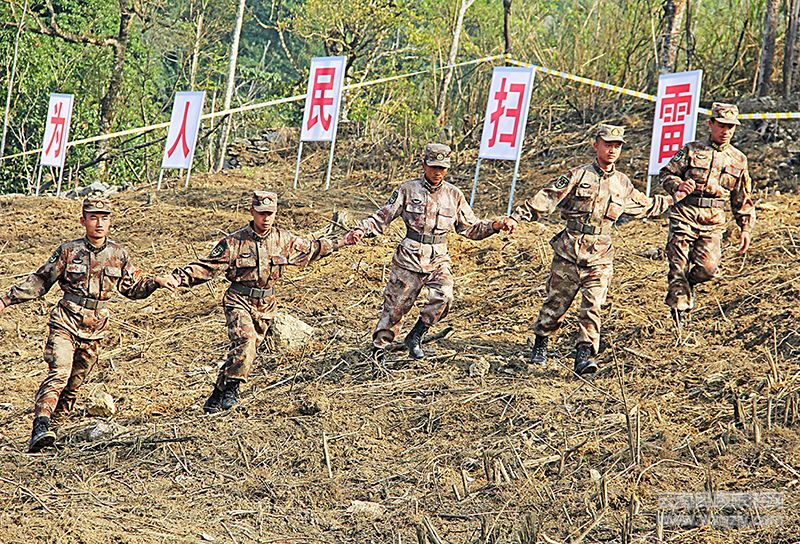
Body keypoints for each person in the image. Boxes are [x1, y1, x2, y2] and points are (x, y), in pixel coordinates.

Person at [0, 198, 178, 452]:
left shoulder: (118, 254)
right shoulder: (68, 251)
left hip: (95, 329)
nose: (99, 223)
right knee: (59, 373)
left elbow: (133, 288)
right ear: (83, 221)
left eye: (104, 218)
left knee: (73, 386)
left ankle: (52, 433)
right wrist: (6, 300)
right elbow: (40, 281)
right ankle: (41, 424)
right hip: (65, 321)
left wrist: (156, 282)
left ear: (110, 221)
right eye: (93, 218)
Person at [507, 125, 673, 375]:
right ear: (596, 145)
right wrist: (517, 217)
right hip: (569, 252)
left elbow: (645, 205)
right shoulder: (578, 175)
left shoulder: (622, 183)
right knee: (555, 304)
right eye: (607, 144)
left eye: (617, 146)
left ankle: (584, 355)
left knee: (594, 305)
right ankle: (541, 344)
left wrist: (673, 199)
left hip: (600, 255)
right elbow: (547, 197)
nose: (612, 150)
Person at [342, 143, 515, 375]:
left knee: (444, 296)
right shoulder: (407, 190)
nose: (437, 172)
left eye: (442, 168)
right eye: (433, 167)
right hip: (409, 258)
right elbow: (382, 217)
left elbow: (471, 228)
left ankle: (416, 335)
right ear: (424, 165)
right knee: (395, 308)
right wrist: (361, 230)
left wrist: (496, 225)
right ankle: (378, 352)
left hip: (438, 257)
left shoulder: (454, 195)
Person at [171, 191, 352, 413]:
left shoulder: (283, 240)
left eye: (270, 213)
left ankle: (216, 396)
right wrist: (178, 278)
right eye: (261, 213)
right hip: (239, 300)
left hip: (266, 305)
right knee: (245, 341)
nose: (265, 218)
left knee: (243, 351)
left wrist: (343, 241)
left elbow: (312, 249)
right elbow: (206, 267)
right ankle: (232, 391)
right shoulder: (234, 242)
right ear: (252, 212)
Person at [659, 102, 755, 328]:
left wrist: (745, 227)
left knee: (708, 269)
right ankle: (679, 314)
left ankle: (687, 285)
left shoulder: (738, 159)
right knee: (678, 266)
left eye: (730, 127)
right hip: (685, 213)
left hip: (713, 221)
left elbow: (742, 197)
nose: (726, 131)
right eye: (721, 125)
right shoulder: (691, 150)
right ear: (711, 124)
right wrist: (678, 185)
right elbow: (666, 174)